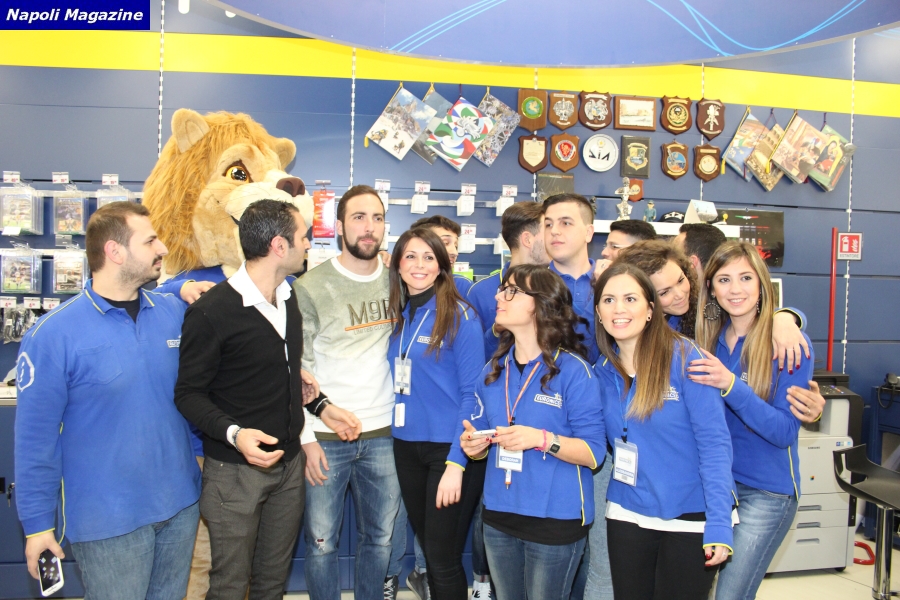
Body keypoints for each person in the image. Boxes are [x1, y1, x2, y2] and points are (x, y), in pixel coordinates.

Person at [175, 199, 362, 600]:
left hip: (289, 467)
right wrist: (235, 434)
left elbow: (277, 371)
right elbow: (188, 394)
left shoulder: (289, 297)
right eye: (303, 237)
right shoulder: (212, 312)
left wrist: (314, 402)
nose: (308, 244)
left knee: (272, 582)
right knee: (229, 584)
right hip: (234, 473)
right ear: (279, 246)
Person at [15, 202, 202, 600]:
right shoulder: (53, 335)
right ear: (115, 251)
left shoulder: (172, 313)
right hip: (108, 522)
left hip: (180, 505)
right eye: (150, 241)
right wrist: (38, 526)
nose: (163, 249)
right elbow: (35, 441)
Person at [460, 264, 605, 600]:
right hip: (499, 515)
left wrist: (541, 439)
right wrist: (474, 446)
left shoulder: (575, 372)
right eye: (502, 289)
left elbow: (594, 453)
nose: (499, 297)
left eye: (511, 291)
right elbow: (482, 435)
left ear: (540, 304)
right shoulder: (493, 370)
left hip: (555, 519)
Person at [592, 262, 734, 600]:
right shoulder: (602, 370)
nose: (619, 309)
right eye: (609, 300)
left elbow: (715, 444)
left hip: (690, 516)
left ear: (650, 310)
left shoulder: (686, 358)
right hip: (627, 511)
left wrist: (719, 522)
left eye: (630, 299)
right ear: (598, 313)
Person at [294, 185, 403, 600]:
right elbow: (297, 372)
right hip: (326, 436)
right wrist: (306, 438)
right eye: (359, 217)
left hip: (384, 434)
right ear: (339, 226)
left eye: (377, 218)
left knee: (380, 539)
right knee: (322, 544)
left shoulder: (399, 282)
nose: (369, 227)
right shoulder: (310, 287)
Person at [690, 241, 815, 600]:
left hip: (766, 493)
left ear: (761, 283)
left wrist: (730, 385)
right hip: (716, 487)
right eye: (724, 279)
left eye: (745, 278)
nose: (735, 289)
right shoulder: (707, 341)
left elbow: (784, 431)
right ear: (711, 288)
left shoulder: (788, 343)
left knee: (730, 595)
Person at [388, 227, 486, 599]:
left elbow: (472, 395)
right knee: (431, 552)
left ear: (442, 265)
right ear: (398, 264)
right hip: (406, 446)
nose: (419, 265)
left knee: (443, 559)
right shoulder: (400, 315)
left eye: (429, 257)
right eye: (411, 256)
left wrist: (456, 463)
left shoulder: (460, 315)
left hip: (449, 449)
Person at [541, 193, 611, 600]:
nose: (554, 231)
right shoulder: (531, 284)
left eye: (566, 222)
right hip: (545, 432)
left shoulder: (612, 282)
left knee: (599, 555)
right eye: (548, 223)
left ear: (589, 231)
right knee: (552, 549)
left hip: (603, 436)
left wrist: (786, 316)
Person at [468, 200, 548, 358]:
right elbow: (471, 355)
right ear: (527, 239)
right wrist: (495, 331)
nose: (555, 238)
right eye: (548, 229)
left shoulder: (556, 287)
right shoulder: (480, 293)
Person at [410, 214, 473, 295]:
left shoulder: (463, 288)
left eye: (456, 246)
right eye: (445, 243)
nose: (455, 252)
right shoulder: (401, 287)